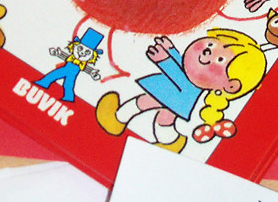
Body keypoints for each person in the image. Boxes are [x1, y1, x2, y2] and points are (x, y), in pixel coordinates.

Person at [95, 28, 266, 152]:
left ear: (230, 86)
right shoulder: (194, 74)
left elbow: (181, 78)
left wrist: (164, 60)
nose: (208, 52)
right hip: (175, 97)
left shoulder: (196, 82)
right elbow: (185, 67)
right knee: (164, 117)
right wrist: (171, 50)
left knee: (145, 102)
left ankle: (118, 118)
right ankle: (170, 142)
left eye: (220, 59)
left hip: (177, 96)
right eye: (212, 44)